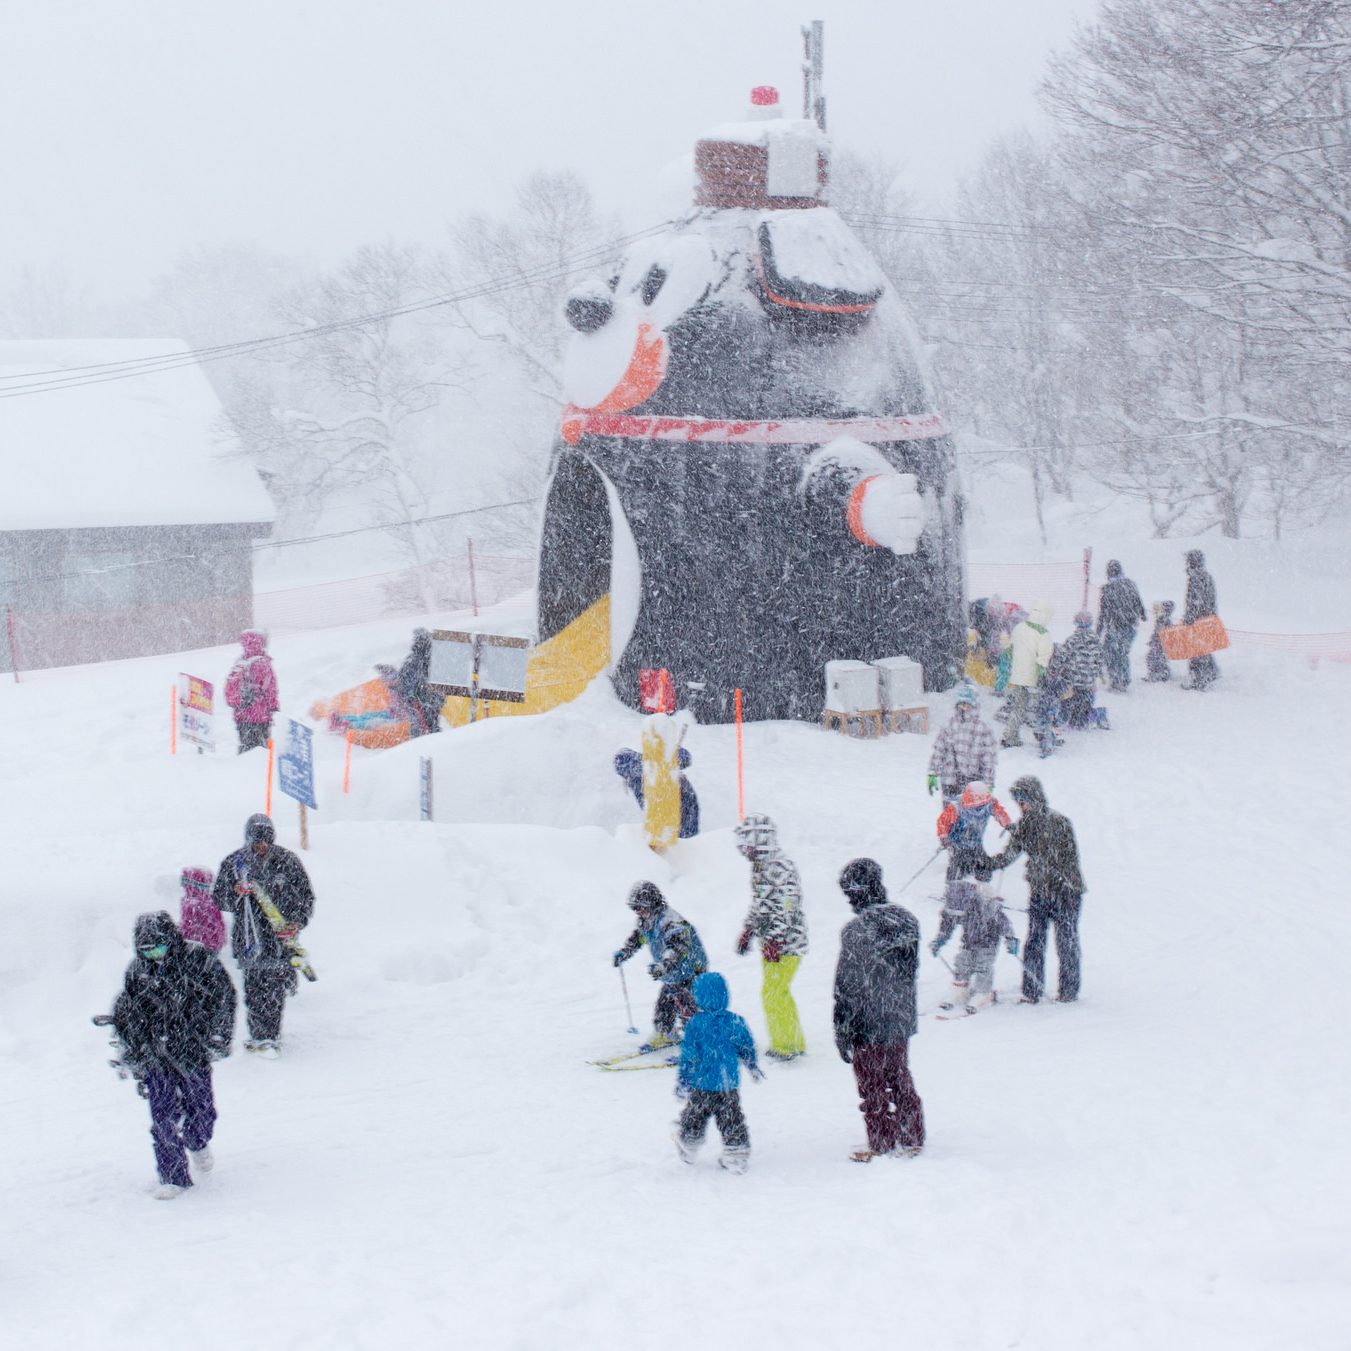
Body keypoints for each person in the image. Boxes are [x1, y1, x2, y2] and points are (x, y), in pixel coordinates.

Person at [108, 911, 236, 1199]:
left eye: (160, 947)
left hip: (192, 1051)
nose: (155, 955)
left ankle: (198, 1141)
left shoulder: (199, 961)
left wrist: (217, 1037)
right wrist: (133, 1050)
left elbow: (224, 999)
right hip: (156, 1055)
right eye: (147, 950)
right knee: (163, 1116)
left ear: (172, 940)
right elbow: (128, 1014)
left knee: (201, 1109)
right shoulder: (137, 972)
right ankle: (173, 1176)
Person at [833, 858, 926, 1163]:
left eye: (849, 891)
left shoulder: (856, 931)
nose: (848, 898)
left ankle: (881, 1140)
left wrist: (842, 1028)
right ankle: (912, 1136)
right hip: (899, 1016)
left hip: (866, 1021)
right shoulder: (907, 920)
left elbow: (846, 986)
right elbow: (907, 972)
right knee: (899, 1075)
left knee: (872, 1084)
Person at [211, 814, 316, 1056]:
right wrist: (236, 892)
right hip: (250, 939)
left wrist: (298, 922)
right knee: (255, 988)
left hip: (280, 939)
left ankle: (270, 1037)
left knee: (274, 990)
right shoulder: (234, 863)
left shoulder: (288, 861)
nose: (262, 847)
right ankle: (259, 1036)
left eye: (266, 841)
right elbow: (219, 898)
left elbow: (305, 896)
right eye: (257, 842)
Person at [988, 776, 1086, 1004]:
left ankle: (1069, 991)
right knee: (1034, 941)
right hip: (1040, 893)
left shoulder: (1060, 822)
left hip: (1066, 893)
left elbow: (1066, 858)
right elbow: (1010, 854)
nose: (1021, 806)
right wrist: (987, 863)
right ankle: (1031, 990)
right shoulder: (1024, 825)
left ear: (1035, 798)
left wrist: (1042, 870)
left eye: (1023, 800)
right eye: (1018, 801)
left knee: (1066, 941)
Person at [733, 814, 808, 1061]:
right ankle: (794, 1041)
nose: (744, 849)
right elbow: (761, 905)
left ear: (760, 839)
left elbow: (787, 906)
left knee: (772, 993)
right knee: (779, 992)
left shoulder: (779, 865)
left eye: (747, 842)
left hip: (788, 943)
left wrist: (776, 940)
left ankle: (785, 1045)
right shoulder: (761, 866)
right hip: (771, 943)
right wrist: (749, 930)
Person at [672, 971, 763, 1174]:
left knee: (695, 1116)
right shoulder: (735, 1021)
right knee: (731, 1117)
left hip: (702, 1083)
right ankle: (736, 1151)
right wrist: (752, 1065)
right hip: (727, 1084)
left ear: (699, 997)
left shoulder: (695, 1023)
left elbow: (689, 1055)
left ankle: (689, 1143)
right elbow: (746, 1046)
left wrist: (684, 1079)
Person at [613, 881, 708, 1048]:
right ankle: (665, 1032)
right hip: (672, 972)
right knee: (665, 1003)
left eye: (641, 907)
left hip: (691, 969)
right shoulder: (646, 922)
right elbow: (639, 938)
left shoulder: (670, 921)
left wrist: (664, 965)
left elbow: (678, 948)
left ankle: (697, 1042)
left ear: (653, 903)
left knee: (687, 1005)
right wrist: (625, 952)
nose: (638, 912)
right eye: (635, 909)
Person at [930, 877, 1019, 1014]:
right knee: (962, 961)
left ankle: (983, 993)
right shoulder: (952, 906)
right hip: (969, 940)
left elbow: (1003, 922)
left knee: (982, 965)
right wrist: (940, 939)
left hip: (989, 940)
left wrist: (1010, 938)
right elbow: (947, 925)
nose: (958, 915)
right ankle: (960, 988)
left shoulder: (985, 905)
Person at [928, 683, 998, 801]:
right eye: (961, 704)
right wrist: (933, 772)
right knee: (949, 816)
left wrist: (988, 783)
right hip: (949, 780)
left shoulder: (982, 729)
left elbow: (989, 759)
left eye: (967, 704)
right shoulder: (949, 725)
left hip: (973, 782)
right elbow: (939, 751)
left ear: (974, 706)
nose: (963, 708)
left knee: (970, 816)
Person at [613, 746, 701, 838]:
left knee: (688, 842)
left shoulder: (655, 757)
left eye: (635, 764)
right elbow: (649, 808)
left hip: (685, 804)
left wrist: (668, 760)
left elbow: (686, 758)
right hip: (673, 817)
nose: (636, 769)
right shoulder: (636, 783)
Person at [936, 780, 1012, 884]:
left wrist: (1007, 823)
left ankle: (984, 888)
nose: (978, 810)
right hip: (957, 843)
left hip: (976, 842)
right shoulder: (956, 807)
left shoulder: (990, 803)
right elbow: (942, 822)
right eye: (974, 807)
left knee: (984, 865)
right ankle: (951, 888)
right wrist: (944, 837)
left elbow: (1000, 813)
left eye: (981, 806)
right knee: (956, 866)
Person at [1002, 602, 1053, 748]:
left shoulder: (1019, 627)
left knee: (1018, 708)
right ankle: (1043, 737)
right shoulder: (1043, 633)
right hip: (1034, 677)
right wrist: (1042, 673)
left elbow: (1010, 649)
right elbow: (1044, 658)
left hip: (1018, 675)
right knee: (1041, 708)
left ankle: (1010, 736)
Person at [224, 629, 279, 754]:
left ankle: (242, 768)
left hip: (241, 716)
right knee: (261, 751)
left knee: (245, 745)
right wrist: (274, 709)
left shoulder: (240, 662)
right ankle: (256, 771)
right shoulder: (262, 663)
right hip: (260, 716)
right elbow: (271, 690)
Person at [1096, 560, 1147, 691]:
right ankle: (1124, 679)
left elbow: (1103, 613)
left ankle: (1116, 680)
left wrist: (1098, 631)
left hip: (1114, 626)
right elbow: (1138, 601)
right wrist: (1142, 614)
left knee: (1111, 653)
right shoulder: (1130, 584)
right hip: (1130, 626)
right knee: (1123, 653)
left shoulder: (1107, 589)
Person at [1061, 612, 1110, 730]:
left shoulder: (1071, 640)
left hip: (1073, 682)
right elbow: (1100, 660)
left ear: (1076, 623)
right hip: (1088, 683)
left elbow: (1064, 659)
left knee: (1070, 708)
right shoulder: (1096, 640)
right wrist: (1099, 675)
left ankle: (1091, 715)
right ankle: (1093, 715)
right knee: (1082, 709)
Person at [1183, 550, 1220, 691]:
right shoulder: (1207, 576)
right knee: (1203, 648)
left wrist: (1189, 618)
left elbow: (1195, 601)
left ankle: (1198, 680)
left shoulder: (1195, 578)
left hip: (1198, 620)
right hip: (1207, 618)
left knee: (1196, 651)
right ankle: (1211, 671)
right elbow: (1210, 600)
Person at [397, 628, 443, 736]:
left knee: (419, 727)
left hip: (419, 702)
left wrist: (409, 696)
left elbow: (403, 680)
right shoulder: (434, 659)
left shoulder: (413, 660)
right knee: (431, 727)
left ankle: (421, 745)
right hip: (427, 701)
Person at [178, 866, 225, 951]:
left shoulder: (193, 904)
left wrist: (180, 934)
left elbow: (188, 927)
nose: (183, 887)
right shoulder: (211, 901)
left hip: (199, 947)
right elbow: (220, 925)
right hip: (211, 945)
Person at [1145, 601, 1175, 683]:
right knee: (1153, 658)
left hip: (1160, 645)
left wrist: (1156, 640)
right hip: (1158, 644)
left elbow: (1160, 633)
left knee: (1155, 658)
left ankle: (1160, 674)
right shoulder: (1161, 619)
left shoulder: (1164, 620)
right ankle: (1156, 673)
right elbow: (1156, 632)